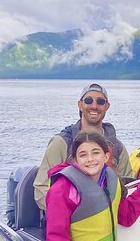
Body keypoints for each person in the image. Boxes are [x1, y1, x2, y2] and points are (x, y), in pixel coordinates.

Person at [34, 83, 134, 211]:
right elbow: (41, 189)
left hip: (109, 218)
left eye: (100, 101)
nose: (94, 106)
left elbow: (129, 187)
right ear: (80, 105)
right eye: (88, 100)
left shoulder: (117, 148)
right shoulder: (61, 143)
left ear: (107, 106)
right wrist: (68, 214)